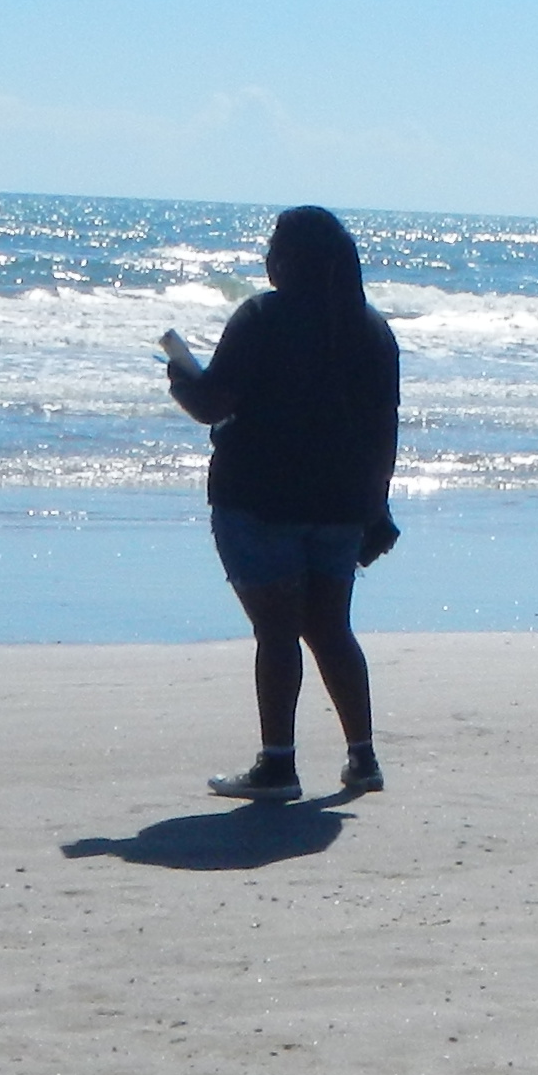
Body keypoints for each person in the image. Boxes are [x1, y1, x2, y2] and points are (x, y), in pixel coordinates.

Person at [161, 204, 401, 806]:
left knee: (276, 630)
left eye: (274, 246)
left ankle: (278, 765)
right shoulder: (371, 329)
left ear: (287, 259)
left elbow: (214, 403)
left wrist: (181, 379)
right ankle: (362, 757)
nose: (267, 257)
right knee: (330, 628)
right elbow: (384, 432)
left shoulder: (262, 316)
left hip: (260, 495)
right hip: (342, 504)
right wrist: (376, 506)